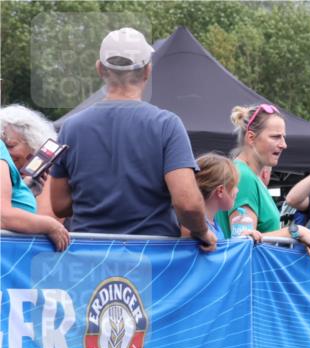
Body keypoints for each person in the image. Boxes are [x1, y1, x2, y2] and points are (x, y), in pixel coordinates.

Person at [48, 28, 215, 251]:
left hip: (88, 255)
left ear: (100, 69)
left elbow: (59, 206)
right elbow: (187, 204)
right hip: (152, 259)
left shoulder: (71, 128)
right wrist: (204, 233)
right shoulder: (167, 125)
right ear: (148, 71)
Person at [216, 104, 310, 253]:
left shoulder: (246, 175)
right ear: (251, 138)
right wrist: (295, 231)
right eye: (275, 137)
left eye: (283, 137)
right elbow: (243, 243)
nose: (284, 145)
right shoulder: (244, 176)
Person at [1, 140, 69, 250]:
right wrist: (51, 226)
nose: (9, 152)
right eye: (7, 145)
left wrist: (23, 191)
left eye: (12, 145)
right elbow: (2, 217)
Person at [0, 104, 59, 217]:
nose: (4, 153)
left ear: (33, 144)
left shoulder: (50, 177)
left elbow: (47, 223)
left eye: (10, 146)